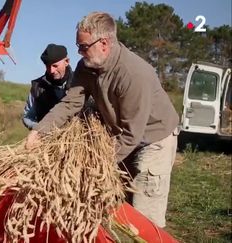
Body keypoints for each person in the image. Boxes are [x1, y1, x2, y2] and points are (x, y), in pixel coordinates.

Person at [25, 12, 179, 228]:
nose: (79, 52)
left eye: (83, 46)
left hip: (154, 138)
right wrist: (39, 131)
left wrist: (93, 164)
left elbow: (131, 134)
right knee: (121, 205)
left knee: (144, 217)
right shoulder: (86, 67)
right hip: (124, 134)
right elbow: (71, 103)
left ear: (104, 43)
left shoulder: (133, 74)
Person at [22, 44, 73, 129]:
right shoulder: (37, 87)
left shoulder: (79, 82)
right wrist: (41, 128)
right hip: (47, 139)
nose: (51, 70)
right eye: (47, 66)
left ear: (66, 62)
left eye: (55, 66)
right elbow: (27, 117)